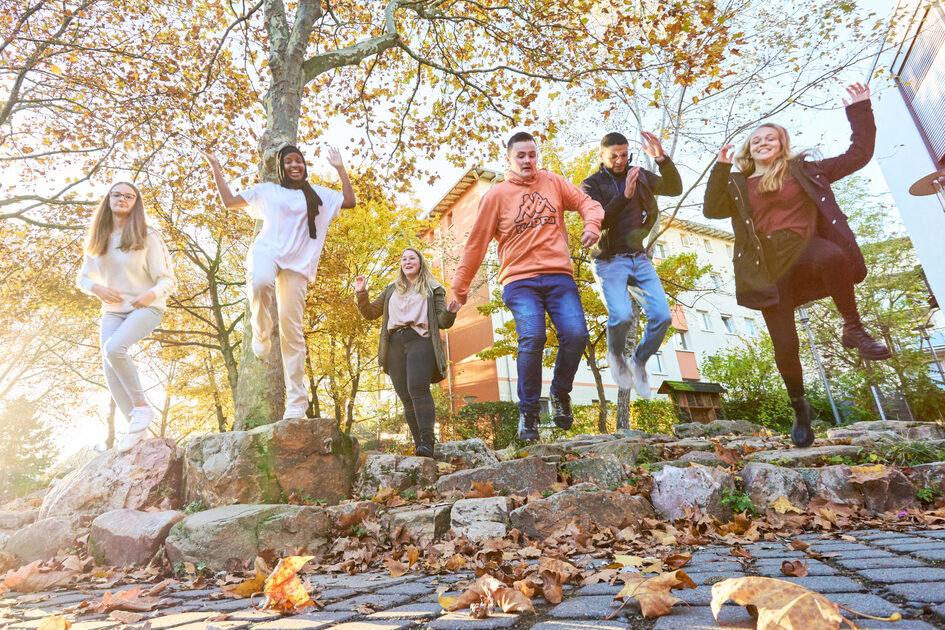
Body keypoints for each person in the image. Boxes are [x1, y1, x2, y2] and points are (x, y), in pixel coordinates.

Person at [703, 82, 889, 448]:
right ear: (749, 148)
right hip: (767, 270)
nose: (763, 142)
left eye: (770, 138)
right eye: (756, 139)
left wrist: (860, 111)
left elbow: (859, 155)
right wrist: (721, 168)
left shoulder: (805, 170)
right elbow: (712, 209)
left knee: (832, 256)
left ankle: (853, 327)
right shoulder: (739, 183)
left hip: (804, 251)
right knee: (785, 344)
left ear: (782, 144)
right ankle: (800, 409)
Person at [449, 131, 604, 442]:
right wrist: (459, 289)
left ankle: (560, 393)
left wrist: (592, 225)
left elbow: (589, 203)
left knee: (576, 334)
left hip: (559, 275)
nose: (527, 160)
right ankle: (529, 414)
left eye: (532, 154)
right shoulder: (495, 196)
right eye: (521, 155)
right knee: (532, 335)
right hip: (519, 281)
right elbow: (475, 245)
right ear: (509, 159)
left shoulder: (553, 182)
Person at [200, 145, 355, 420]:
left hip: (298, 264)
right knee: (260, 282)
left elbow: (349, 201)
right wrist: (216, 169)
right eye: (288, 161)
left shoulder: (318, 194)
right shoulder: (268, 191)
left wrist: (340, 168)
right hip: (268, 252)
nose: (295, 165)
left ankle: (296, 403)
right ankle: (260, 331)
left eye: (299, 161)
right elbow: (229, 201)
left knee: (291, 330)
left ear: (304, 166)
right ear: (280, 167)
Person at [580, 131, 682, 398]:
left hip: (639, 257)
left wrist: (661, 159)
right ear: (601, 155)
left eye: (624, 154)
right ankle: (614, 355)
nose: (620, 160)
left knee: (662, 316)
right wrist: (624, 195)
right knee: (623, 315)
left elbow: (674, 189)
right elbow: (601, 221)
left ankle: (638, 361)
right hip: (609, 259)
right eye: (614, 156)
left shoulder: (640, 175)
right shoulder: (591, 185)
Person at [77, 182, 176, 453]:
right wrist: (95, 287)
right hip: (112, 311)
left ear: (135, 203)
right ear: (108, 199)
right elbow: (83, 277)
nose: (122, 199)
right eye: (117, 194)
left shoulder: (148, 235)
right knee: (109, 362)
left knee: (114, 349)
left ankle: (142, 408)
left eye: (129, 196)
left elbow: (168, 279)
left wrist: (151, 294)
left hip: (147, 307)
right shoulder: (99, 237)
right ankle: (135, 426)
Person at [354, 248, 459, 457]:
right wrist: (361, 293)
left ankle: (429, 442)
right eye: (404, 259)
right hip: (394, 343)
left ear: (420, 263)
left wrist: (450, 312)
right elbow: (370, 313)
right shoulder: (392, 288)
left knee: (417, 389)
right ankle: (421, 446)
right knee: (405, 396)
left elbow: (440, 321)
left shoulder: (432, 288)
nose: (407, 261)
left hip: (420, 339)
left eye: (412, 258)